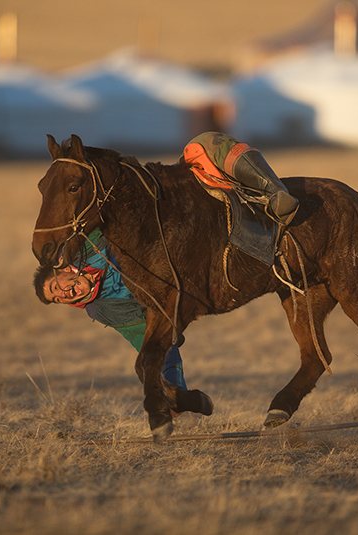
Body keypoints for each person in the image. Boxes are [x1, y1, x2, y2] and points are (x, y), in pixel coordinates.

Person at [33, 228, 213, 417]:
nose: (62, 295)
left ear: (65, 269)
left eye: (55, 287)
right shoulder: (105, 310)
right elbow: (149, 340)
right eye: (57, 299)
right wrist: (174, 393)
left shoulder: (87, 245)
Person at [182, 131, 299, 226]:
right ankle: (275, 191)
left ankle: (274, 192)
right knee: (211, 142)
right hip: (198, 153)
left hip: (199, 152)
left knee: (209, 143)